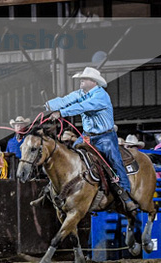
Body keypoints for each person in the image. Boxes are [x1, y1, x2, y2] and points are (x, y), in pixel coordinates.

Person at [46, 66, 137, 213]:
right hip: (87, 135)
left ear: (93, 82)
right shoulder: (81, 93)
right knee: (70, 155)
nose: (81, 81)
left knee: (114, 160)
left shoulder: (101, 96)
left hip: (105, 136)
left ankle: (125, 195)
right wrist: (48, 105)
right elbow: (66, 100)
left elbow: (81, 107)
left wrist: (61, 112)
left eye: (84, 79)